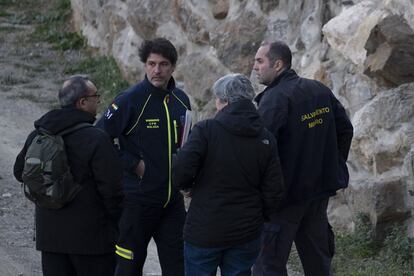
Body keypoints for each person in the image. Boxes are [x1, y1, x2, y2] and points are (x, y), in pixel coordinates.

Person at [252, 41, 354, 276]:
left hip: (284, 199)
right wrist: (332, 166)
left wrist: (264, 190)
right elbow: (345, 130)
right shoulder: (318, 89)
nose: (255, 66)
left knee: (268, 265)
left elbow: (261, 150)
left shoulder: (274, 100)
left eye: (260, 61)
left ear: (277, 65)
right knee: (318, 261)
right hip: (317, 192)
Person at [173, 73, 285, 276]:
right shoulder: (265, 138)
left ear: (223, 101)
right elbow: (274, 190)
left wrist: (188, 186)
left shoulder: (206, 130)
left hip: (205, 229)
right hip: (246, 231)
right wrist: (259, 216)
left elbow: (181, 170)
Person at [96, 37, 191, 276]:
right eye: (151, 63)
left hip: (172, 203)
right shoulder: (130, 99)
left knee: (179, 267)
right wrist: (132, 164)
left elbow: (187, 144)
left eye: (163, 64)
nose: (156, 70)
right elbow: (98, 138)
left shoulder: (182, 100)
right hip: (137, 201)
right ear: (144, 65)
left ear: (173, 67)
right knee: (128, 267)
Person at [13, 75, 124, 276]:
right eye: (95, 97)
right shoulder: (97, 139)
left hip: (50, 239)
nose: (98, 101)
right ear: (82, 102)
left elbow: (19, 172)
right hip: (92, 241)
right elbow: (112, 191)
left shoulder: (39, 134)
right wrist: (117, 225)